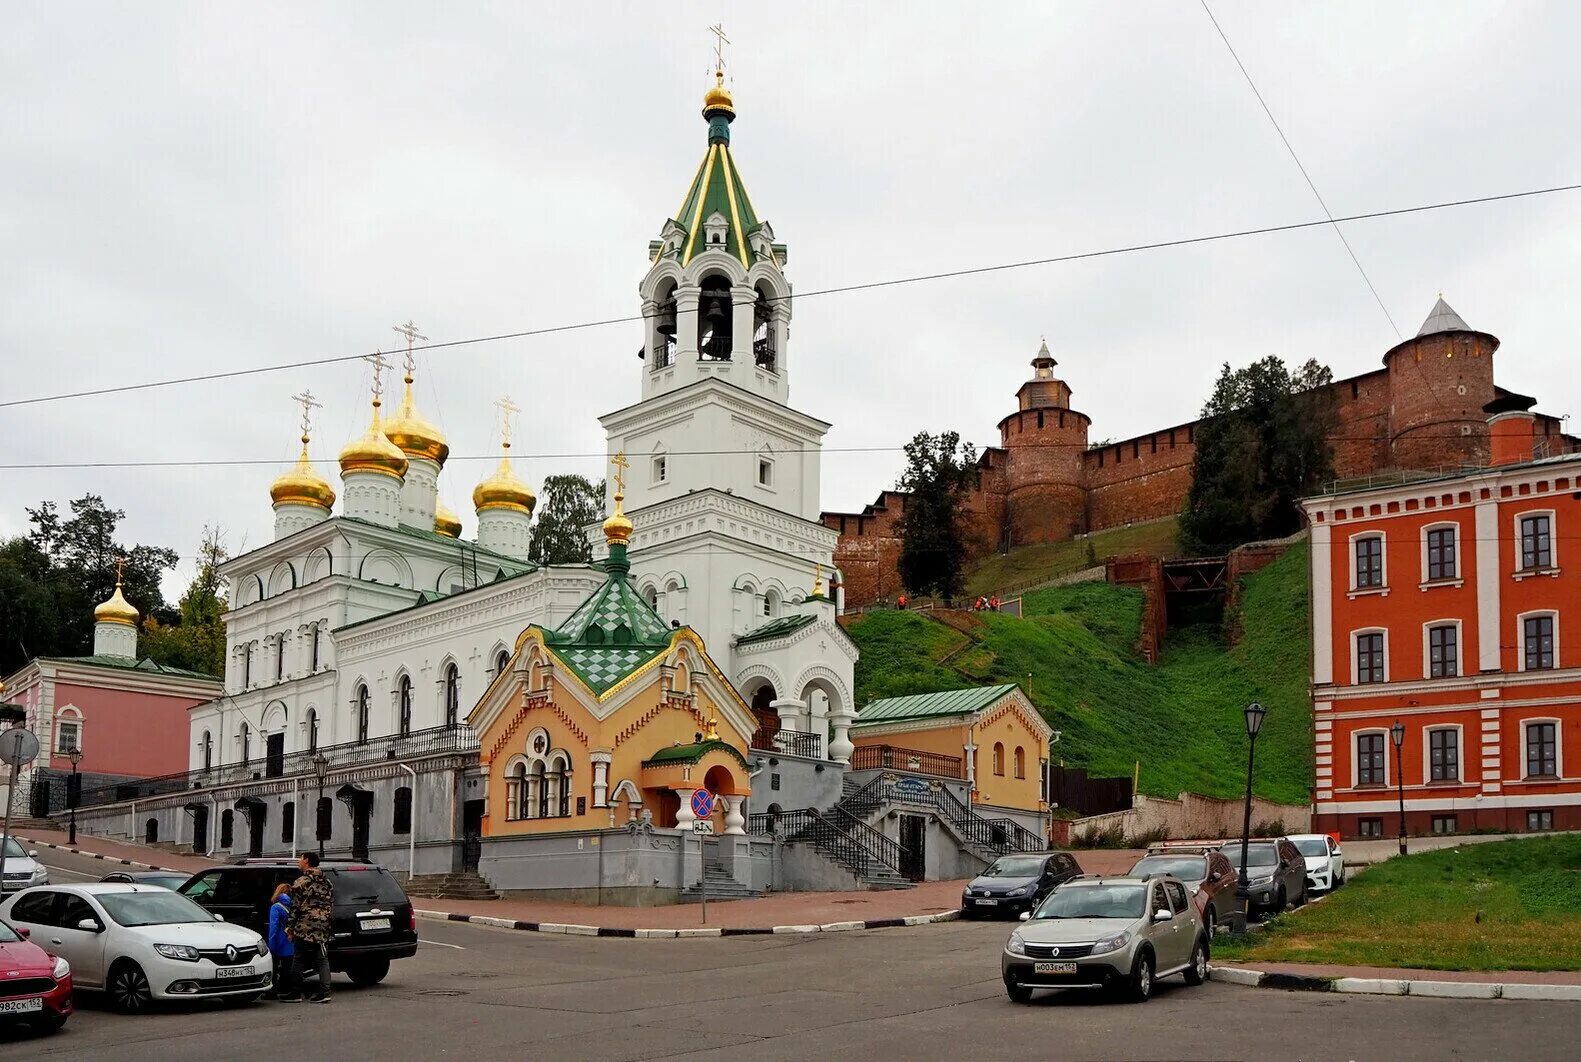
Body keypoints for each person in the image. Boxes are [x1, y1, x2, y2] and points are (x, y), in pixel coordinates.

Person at [282, 852, 334, 1003]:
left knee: (298, 958)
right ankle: (325, 992)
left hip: (305, 926)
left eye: (300, 859)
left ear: (307, 861)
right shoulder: (327, 881)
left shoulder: (302, 881)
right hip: (323, 925)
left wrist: (290, 928)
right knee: (322, 958)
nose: (299, 861)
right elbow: (331, 904)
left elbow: (295, 907)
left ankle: (295, 992)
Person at [264, 884, 295, 1000]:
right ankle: (286, 989)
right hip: (290, 940)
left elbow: (273, 927)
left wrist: (271, 944)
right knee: (288, 966)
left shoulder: (276, 907)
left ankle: (272, 992)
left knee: (274, 967)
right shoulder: (293, 905)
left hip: (279, 941)